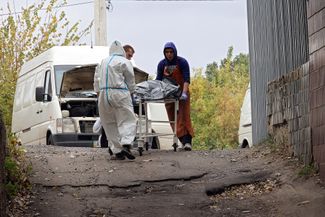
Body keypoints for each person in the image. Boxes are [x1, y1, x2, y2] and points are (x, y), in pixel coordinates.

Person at [94, 40, 137, 160]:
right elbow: (130, 79)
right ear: (122, 51)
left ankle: (116, 150)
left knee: (108, 122)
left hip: (103, 93)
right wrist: (131, 91)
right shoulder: (124, 61)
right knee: (127, 119)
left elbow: (96, 79)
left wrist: (98, 93)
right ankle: (126, 144)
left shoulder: (102, 62)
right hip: (120, 92)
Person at [156, 42, 194, 151]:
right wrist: (157, 93)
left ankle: (187, 142)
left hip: (182, 93)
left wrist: (184, 93)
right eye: (167, 52)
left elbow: (187, 79)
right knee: (172, 117)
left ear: (175, 52)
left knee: (184, 116)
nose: (169, 54)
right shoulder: (162, 64)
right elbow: (158, 81)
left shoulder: (182, 62)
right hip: (168, 94)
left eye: (171, 52)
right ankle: (181, 140)